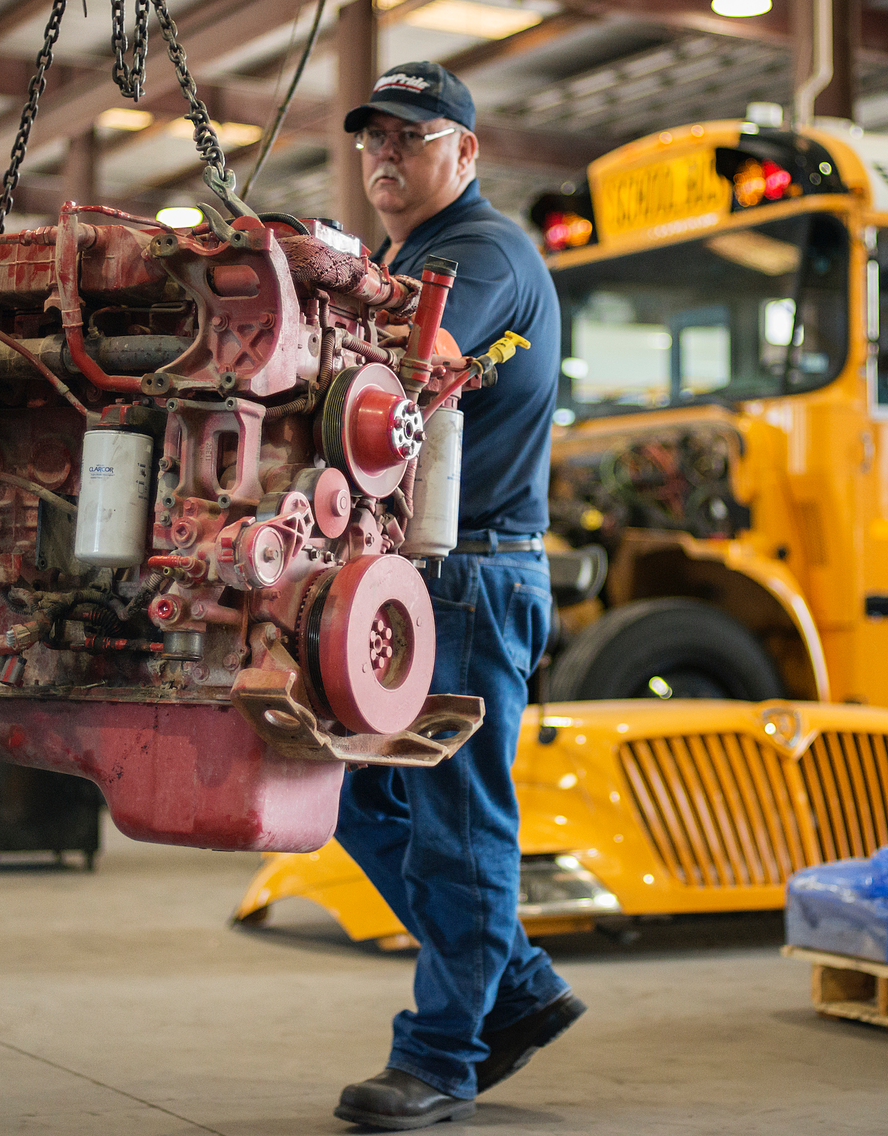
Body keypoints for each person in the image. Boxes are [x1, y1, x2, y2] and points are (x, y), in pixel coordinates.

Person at [331, 62, 582, 1131]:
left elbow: (412, 358)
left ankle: (440, 1056)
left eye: (412, 136)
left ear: (465, 152)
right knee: (352, 797)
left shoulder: (478, 255)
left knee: (458, 821)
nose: (387, 154)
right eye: (373, 138)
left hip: (473, 574)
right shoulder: (408, 254)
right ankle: (515, 984)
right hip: (417, 571)